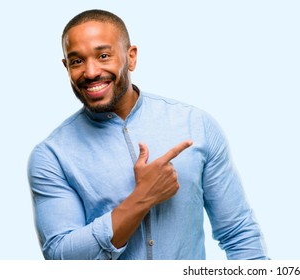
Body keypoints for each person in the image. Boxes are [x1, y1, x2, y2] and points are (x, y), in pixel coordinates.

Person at [27, 9, 268, 260]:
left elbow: (239, 235)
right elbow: (61, 256)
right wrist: (141, 198)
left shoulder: (196, 125)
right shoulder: (51, 156)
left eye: (104, 55)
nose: (90, 72)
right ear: (66, 67)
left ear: (130, 58)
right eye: (77, 61)